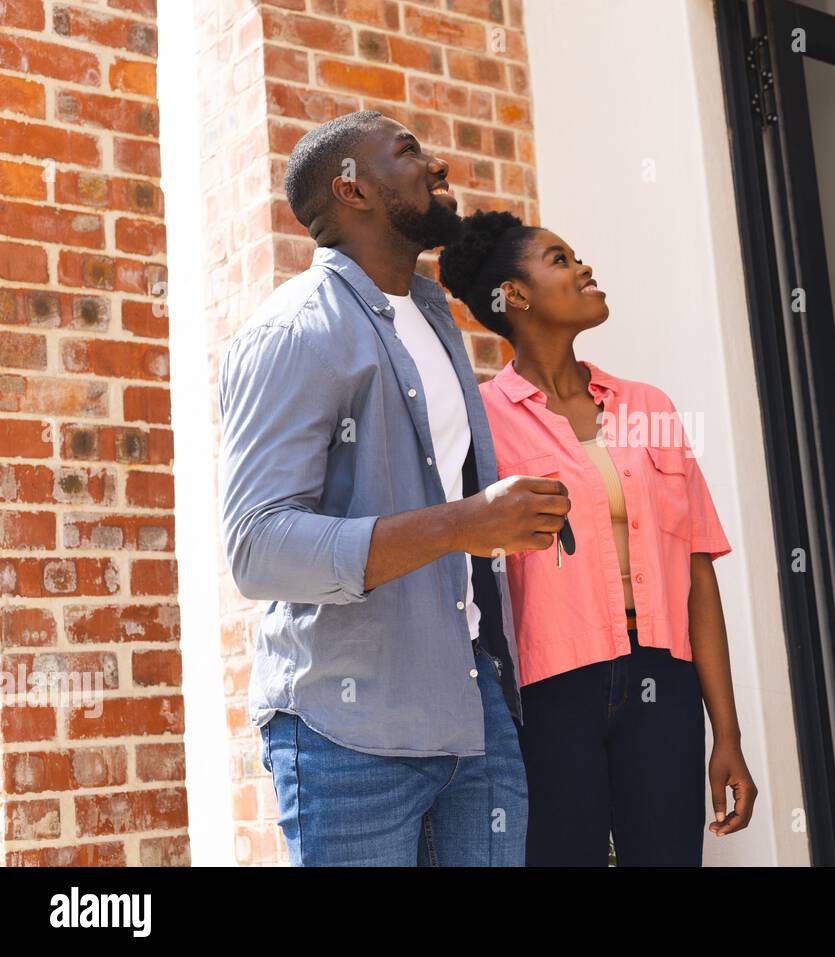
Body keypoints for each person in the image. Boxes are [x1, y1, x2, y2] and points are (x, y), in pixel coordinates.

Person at [218, 112, 571, 866]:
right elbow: (257, 547)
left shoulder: (434, 314)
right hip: (350, 736)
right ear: (352, 189)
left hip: (475, 717)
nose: (438, 165)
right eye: (408, 152)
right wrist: (462, 524)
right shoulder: (295, 331)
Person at [438, 211, 758, 866]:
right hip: (548, 693)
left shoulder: (651, 407)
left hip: (662, 683)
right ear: (514, 296)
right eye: (560, 259)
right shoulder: (480, 423)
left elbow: (697, 571)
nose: (584, 267)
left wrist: (726, 732)